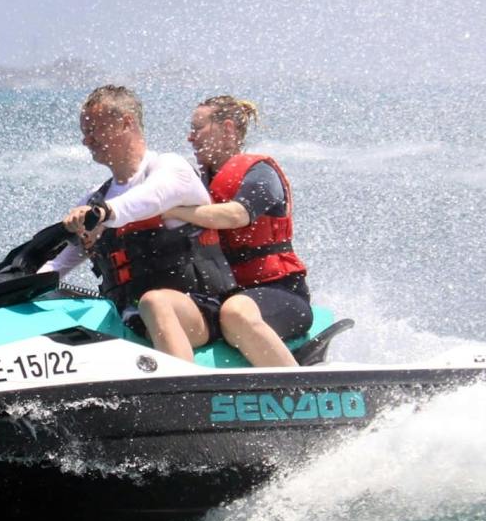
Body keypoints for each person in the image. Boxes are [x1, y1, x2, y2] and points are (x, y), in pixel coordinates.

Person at [43, 85, 237, 359]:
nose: (86, 141)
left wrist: (103, 213)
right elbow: (58, 264)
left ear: (126, 123)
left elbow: (149, 198)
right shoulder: (96, 196)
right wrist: (12, 291)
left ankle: (180, 393)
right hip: (130, 316)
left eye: (93, 129)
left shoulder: (169, 169)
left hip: (202, 311)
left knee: (155, 302)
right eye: (84, 132)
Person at [162, 95, 312, 368]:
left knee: (236, 313)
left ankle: (297, 393)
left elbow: (236, 215)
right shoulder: (196, 183)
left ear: (227, 128)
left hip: (280, 293)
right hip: (219, 297)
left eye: (198, 128)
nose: (190, 138)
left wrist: (172, 211)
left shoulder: (260, 173)